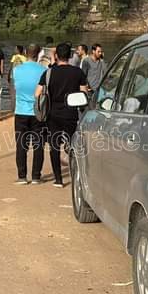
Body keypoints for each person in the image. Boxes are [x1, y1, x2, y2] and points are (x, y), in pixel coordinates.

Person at [36, 42, 90, 188]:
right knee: (73, 145)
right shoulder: (78, 72)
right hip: (71, 114)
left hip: (53, 114)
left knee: (54, 146)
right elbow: (84, 93)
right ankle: (75, 173)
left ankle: (58, 179)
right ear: (70, 55)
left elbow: (37, 93)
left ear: (57, 56)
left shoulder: (48, 73)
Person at [13, 44, 47, 184]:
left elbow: (15, 87)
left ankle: (22, 176)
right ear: (38, 54)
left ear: (26, 53)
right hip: (38, 111)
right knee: (38, 145)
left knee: (21, 145)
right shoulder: (44, 70)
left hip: (21, 111)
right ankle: (36, 176)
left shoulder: (16, 70)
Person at [83, 44, 106, 108]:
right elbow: (83, 75)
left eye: (101, 52)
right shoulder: (86, 61)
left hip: (99, 90)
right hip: (90, 90)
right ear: (93, 51)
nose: (100, 53)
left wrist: (102, 60)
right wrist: (87, 86)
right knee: (91, 108)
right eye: (98, 51)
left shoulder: (101, 61)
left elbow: (105, 72)